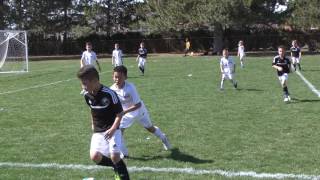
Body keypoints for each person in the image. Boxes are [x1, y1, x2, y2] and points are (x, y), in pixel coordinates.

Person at [77, 65, 130, 180]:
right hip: (98, 130)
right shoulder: (87, 95)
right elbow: (92, 108)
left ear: (95, 80)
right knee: (94, 156)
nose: (83, 86)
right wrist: (93, 123)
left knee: (115, 155)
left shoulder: (109, 93)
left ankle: (122, 172)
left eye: (85, 83)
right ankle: (117, 166)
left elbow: (120, 114)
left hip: (112, 129)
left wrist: (112, 129)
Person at [110, 65, 172, 157]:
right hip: (125, 114)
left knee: (150, 128)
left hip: (139, 111)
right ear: (112, 77)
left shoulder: (130, 87)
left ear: (125, 77)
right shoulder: (112, 89)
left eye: (120, 77)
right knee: (119, 132)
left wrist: (123, 112)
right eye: (115, 77)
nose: (117, 79)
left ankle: (164, 138)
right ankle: (125, 154)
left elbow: (137, 105)